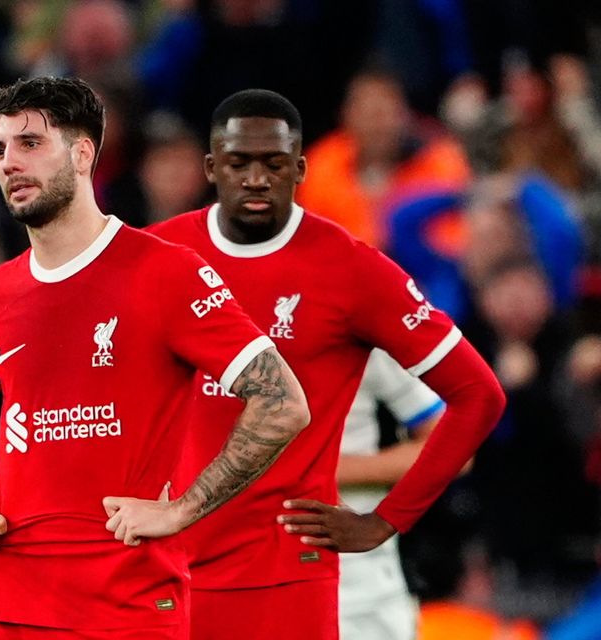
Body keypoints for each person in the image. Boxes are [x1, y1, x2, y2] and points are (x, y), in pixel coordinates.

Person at [0, 77, 311, 640]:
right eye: (0, 149)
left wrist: (183, 510)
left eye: (30, 144)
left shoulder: (164, 271)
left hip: (127, 606)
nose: (10, 163)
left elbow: (283, 402)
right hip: (15, 603)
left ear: (83, 154)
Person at [149, 89, 505, 640]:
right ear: (210, 166)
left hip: (314, 582)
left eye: (274, 163)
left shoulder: (353, 272)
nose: (257, 179)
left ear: (302, 168)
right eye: (239, 163)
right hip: (172, 576)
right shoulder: (154, 259)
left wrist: (388, 519)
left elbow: (478, 396)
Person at [337, 348, 445, 640]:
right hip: (237, 572)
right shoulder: (215, 320)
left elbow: (451, 443)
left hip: (359, 585)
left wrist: (324, 471)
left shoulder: (358, 324)